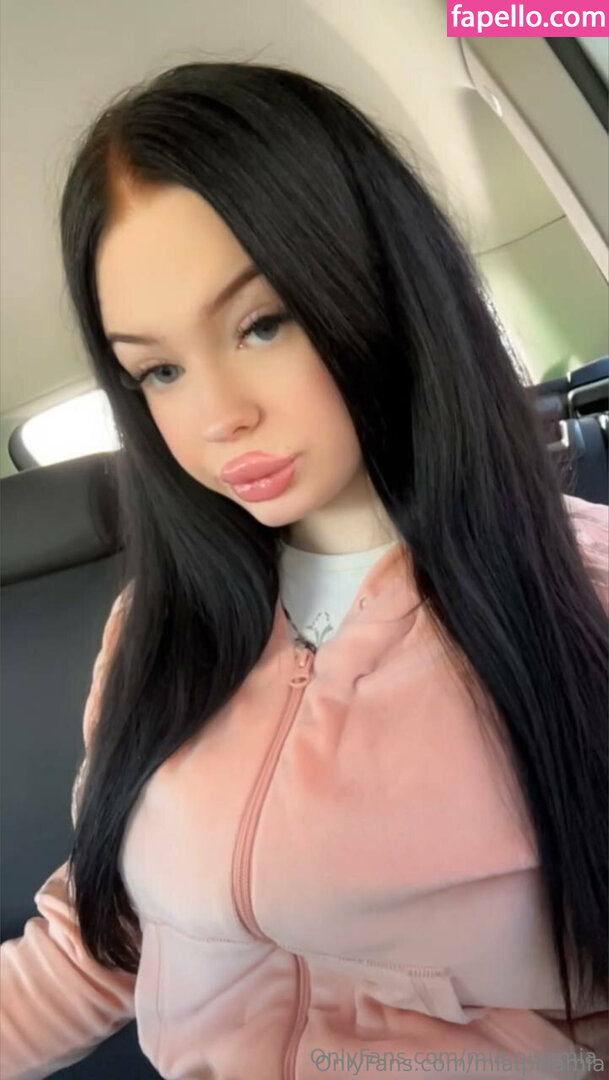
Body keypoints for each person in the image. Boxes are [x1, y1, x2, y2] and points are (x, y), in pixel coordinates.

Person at [1, 61, 607, 1080]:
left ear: (379, 284)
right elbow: (105, 940)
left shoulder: (583, 594)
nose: (217, 414)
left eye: (262, 324)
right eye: (159, 369)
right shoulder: (156, 627)